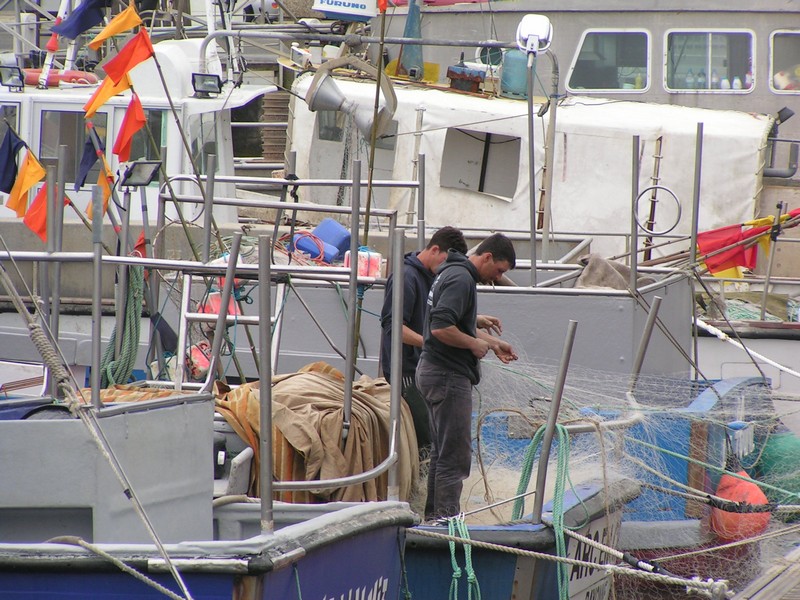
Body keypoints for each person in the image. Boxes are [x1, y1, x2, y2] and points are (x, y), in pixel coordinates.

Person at [415, 232, 518, 520]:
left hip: (434, 372)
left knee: (441, 453)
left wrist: (495, 344)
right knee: (454, 458)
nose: (497, 278)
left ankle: (434, 520)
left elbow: (452, 321)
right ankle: (447, 523)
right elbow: (440, 328)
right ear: (486, 257)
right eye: (498, 270)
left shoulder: (452, 272)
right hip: (447, 376)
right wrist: (475, 344)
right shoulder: (461, 280)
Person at [380, 226, 468, 454]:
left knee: (435, 437)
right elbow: (394, 327)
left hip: (422, 370)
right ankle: (420, 488)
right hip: (405, 375)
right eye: (446, 262)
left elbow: (438, 315)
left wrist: (476, 320)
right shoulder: (406, 277)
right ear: (435, 249)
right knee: (428, 441)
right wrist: (432, 343)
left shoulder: (432, 276)